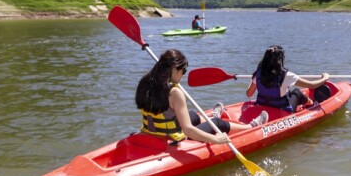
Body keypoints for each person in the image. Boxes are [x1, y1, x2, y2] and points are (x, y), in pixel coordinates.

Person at [136, 49, 268, 144]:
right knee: (217, 124)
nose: (183, 75)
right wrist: (216, 139)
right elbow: (188, 130)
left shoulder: (145, 82)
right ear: (174, 69)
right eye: (183, 71)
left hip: (150, 131)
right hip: (171, 137)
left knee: (192, 114)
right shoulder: (175, 93)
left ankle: (211, 117)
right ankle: (251, 127)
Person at [246, 45, 330, 112]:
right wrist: (325, 78)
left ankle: (308, 102)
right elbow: (312, 85)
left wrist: (255, 78)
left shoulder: (259, 73)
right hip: (281, 109)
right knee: (296, 91)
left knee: (288, 93)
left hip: (263, 105)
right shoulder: (286, 75)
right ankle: (312, 104)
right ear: (280, 59)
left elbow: (249, 94)